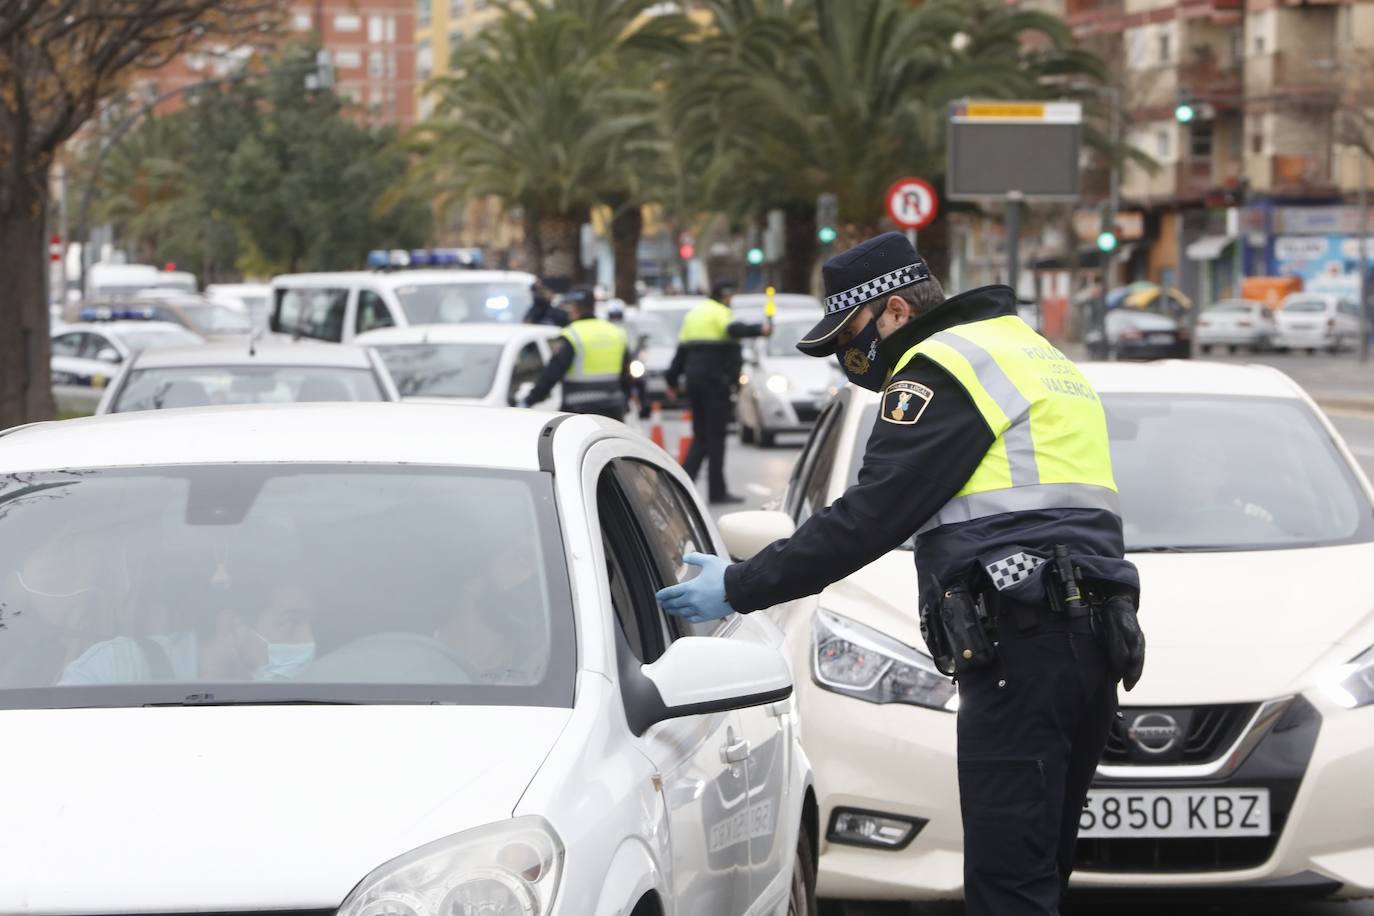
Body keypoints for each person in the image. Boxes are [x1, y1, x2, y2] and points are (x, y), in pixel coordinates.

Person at [655, 232, 1144, 916]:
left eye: (849, 336)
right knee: (1040, 868)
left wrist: (739, 585)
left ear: (891, 312)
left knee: (1010, 885)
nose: (849, 360)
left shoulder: (938, 367)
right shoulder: (1030, 351)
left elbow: (869, 517)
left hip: (1024, 643)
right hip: (1091, 640)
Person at [58, 579, 316, 685]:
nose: (308, 640)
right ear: (231, 625)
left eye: (308, 624)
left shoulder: (306, 695)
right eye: (290, 622)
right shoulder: (116, 666)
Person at [665, 281, 772, 504]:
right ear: (725, 296)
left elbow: (681, 353)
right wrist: (759, 330)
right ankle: (716, 492)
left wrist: (672, 381)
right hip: (716, 383)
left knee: (701, 437)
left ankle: (682, 486)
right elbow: (734, 329)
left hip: (694, 382)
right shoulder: (721, 313)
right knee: (715, 438)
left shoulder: (693, 315)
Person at [521, 288, 632, 419]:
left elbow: (551, 374)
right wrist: (625, 402)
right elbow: (627, 376)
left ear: (575, 308)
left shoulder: (572, 334)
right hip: (613, 411)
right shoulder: (616, 333)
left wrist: (528, 401)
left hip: (579, 412)